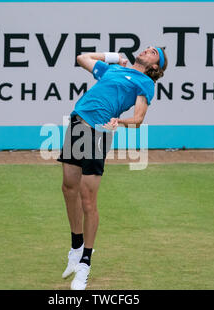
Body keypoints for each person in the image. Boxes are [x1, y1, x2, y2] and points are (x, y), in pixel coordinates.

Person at [57, 46, 168, 290]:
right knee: (68, 187)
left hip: (99, 132)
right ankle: (75, 248)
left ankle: (85, 263)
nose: (147, 50)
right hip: (77, 123)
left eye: (153, 52)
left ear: (155, 67)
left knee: (88, 200)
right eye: (148, 48)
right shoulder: (114, 69)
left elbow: (138, 119)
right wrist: (114, 57)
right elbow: (81, 58)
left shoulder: (145, 84)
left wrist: (121, 121)